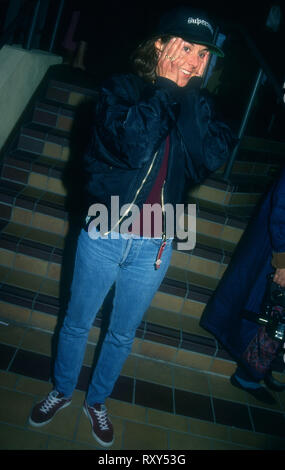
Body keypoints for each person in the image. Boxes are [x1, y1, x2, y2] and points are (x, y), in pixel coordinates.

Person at [29, 7, 234, 447]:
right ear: (159, 46)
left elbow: (209, 160)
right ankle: (63, 389)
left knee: (122, 332)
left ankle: (96, 400)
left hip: (156, 242)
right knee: (77, 322)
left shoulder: (200, 105)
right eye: (184, 48)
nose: (194, 60)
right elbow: (134, 145)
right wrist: (163, 87)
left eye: (203, 54)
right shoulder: (121, 89)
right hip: (105, 231)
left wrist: (190, 94)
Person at [200, 168, 285, 404]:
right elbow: (283, 205)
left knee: (273, 318)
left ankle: (260, 368)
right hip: (277, 251)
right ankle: (248, 375)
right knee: (269, 313)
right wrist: (283, 260)